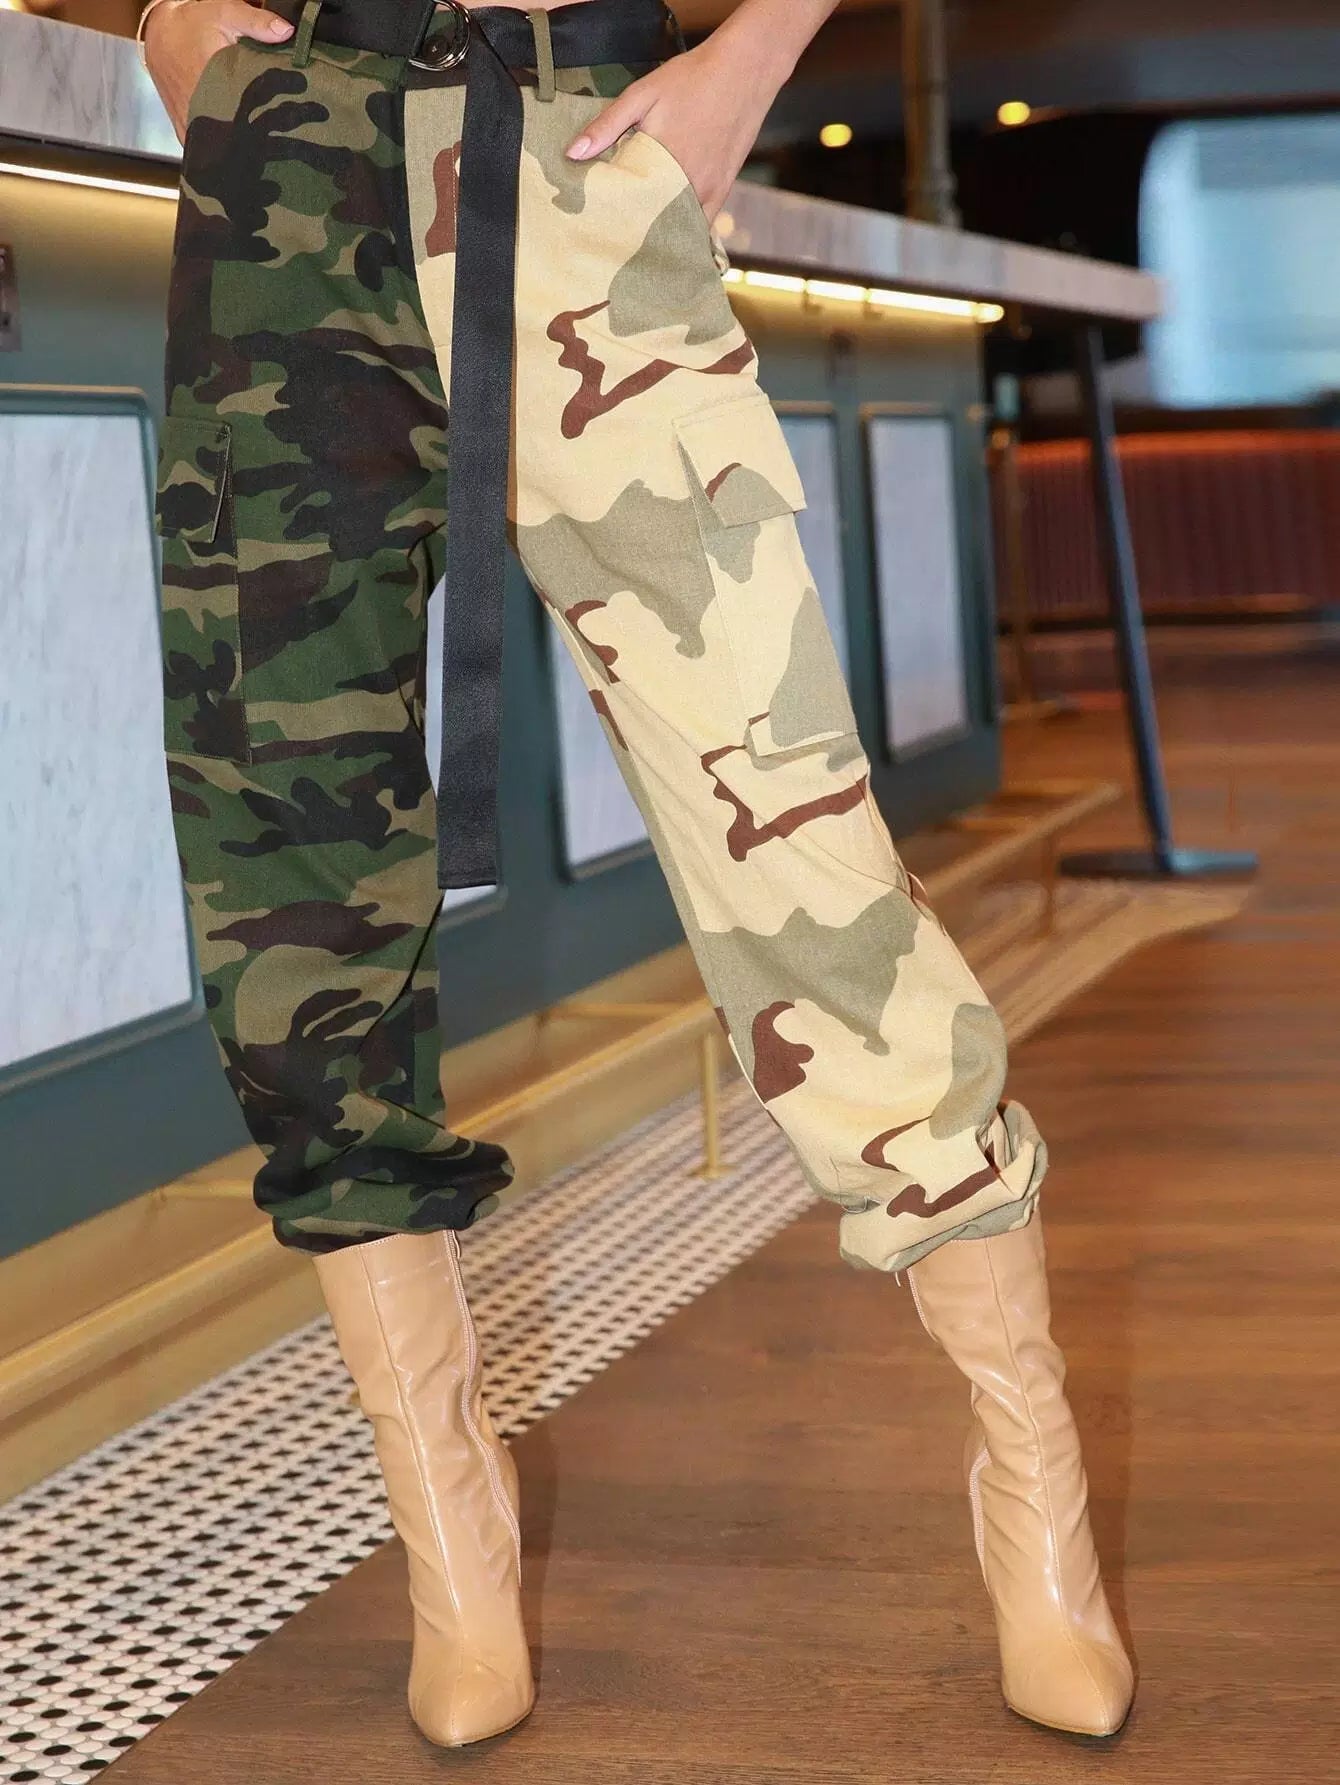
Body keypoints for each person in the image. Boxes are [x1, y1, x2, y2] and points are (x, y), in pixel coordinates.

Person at [140, 0, 1134, 1749]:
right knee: (292, 889)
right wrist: (163, 15)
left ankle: (1030, 1482)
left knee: (801, 845)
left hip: (581, 145)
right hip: (288, 167)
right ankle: (451, 1541)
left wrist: (758, 51)